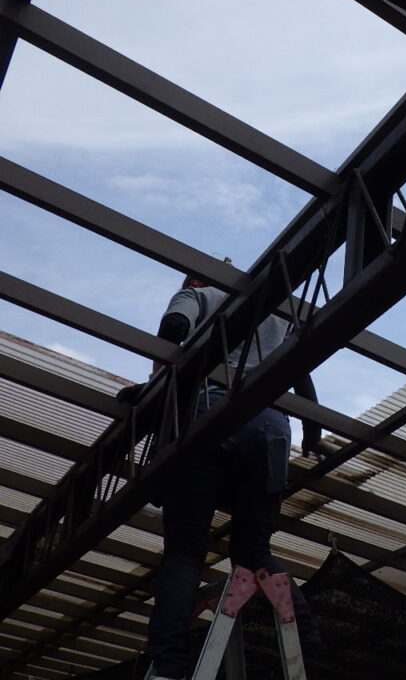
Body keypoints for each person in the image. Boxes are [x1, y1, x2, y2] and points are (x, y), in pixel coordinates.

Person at [123, 274, 323, 680]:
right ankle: (308, 638)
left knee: (184, 551)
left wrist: (153, 390)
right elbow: (301, 374)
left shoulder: (197, 295)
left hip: (206, 415)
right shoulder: (279, 313)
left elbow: (173, 328)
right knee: (253, 551)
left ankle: (169, 666)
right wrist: (312, 430)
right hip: (269, 430)